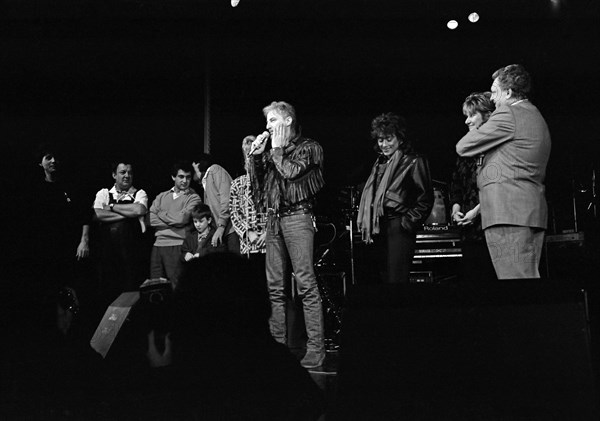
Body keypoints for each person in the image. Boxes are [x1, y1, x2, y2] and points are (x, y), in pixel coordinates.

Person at [248, 100, 326, 368]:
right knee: (274, 288)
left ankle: (316, 348)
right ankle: (276, 348)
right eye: (267, 121)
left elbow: (292, 173)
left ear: (288, 121)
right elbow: (258, 189)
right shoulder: (272, 152)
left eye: (272, 121)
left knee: (305, 284)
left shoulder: (310, 148)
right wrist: (256, 158)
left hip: (298, 218)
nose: (267, 127)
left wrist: (277, 151)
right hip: (274, 220)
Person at [456, 64, 551, 279]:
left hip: (508, 214)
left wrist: (485, 127)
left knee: (516, 287)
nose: (492, 99)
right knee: (526, 282)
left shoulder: (509, 112)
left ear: (508, 92)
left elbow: (463, 146)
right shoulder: (533, 114)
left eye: (495, 92)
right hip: (527, 211)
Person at [357, 112, 433, 283]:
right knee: (383, 280)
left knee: (397, 280)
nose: (384, 144)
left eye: (389, 139)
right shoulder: (379, 164)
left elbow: (425, 198)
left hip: (399, 226)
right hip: (379, 227)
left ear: (400, 138)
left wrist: (408, 222)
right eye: (380, 140)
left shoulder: (414, 161)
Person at [450, 93, 497, 282]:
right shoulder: (466, 149)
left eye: (472, 115)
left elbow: (497, 188)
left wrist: (476, 212)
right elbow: (456, 186)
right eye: (466, 116)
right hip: (468, 232)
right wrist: (456, 209)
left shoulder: (496, 147)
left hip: (492, 227)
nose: (467, 121)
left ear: (487, 116)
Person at [93, 161, 148, 302]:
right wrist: (127, 215)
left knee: (130, 295)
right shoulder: (103, 193)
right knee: (107, 294)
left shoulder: (140, 193)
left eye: (130, 172)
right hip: (107, 256)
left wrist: (111, 207)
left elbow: (139, 210)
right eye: (123, 172)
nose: (127, 176)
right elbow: (98, 214)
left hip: (131, 256)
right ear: (114, 175)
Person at [149, 162, 201, 288]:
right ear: (173, 177)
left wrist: (160, 213)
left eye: (188, 177)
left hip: (178, 244)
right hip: (158, 245)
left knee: (176, 285)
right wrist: (173, 221)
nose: (185, 181)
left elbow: (181, 219)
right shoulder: (162, 196)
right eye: (181, 177)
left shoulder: (193, 197)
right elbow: (151, 219)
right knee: (155, 287)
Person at [192, 153, 240, 254]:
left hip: (231, 229)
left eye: (194, 168)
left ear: (198, 165)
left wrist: (221, 226)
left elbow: (227, 199)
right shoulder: (207, 181)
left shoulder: (215, 170)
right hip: (223, 231)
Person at [230, 135, 268, 257]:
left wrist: (268, 232)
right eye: (248, 159)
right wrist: (248, 232)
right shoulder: (237, 184)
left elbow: (278, 209)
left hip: (271, 241)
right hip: (248, 244)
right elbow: (234, 212)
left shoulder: (271, 182)